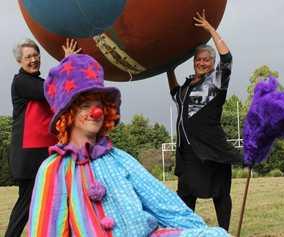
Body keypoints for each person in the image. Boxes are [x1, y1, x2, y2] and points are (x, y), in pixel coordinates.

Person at [27, 53, 232, 237]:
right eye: (85, 105)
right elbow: (46, 230)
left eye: (99, 105)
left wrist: (201, 230)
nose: (95, 111)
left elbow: (163, 203)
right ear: (67, 115)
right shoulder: (53, 169)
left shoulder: (119, 159)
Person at [166, 10, 242, 231]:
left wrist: (210, 29)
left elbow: (228, 58)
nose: (202, 63)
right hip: (188, 154)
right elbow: (174, 92)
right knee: (185, 196)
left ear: (212, 63)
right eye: (198, 59)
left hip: (212, 151)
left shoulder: (216, 82)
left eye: (206, 60)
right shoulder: (186, 87)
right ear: (194, 63)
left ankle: (224, 232)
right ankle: (188, 232)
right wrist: (168, 69)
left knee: (220, 195)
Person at [5, 38, 81, 237]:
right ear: (20, 61)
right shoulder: (21, 82)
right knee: (26, 204)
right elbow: (51, 90)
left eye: (36, 55)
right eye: (28, 57)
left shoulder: (39, 81)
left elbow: (62, 93)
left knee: (56, 200)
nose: (33, 60)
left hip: (48, 152)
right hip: (29, 156)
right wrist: (67, 62)